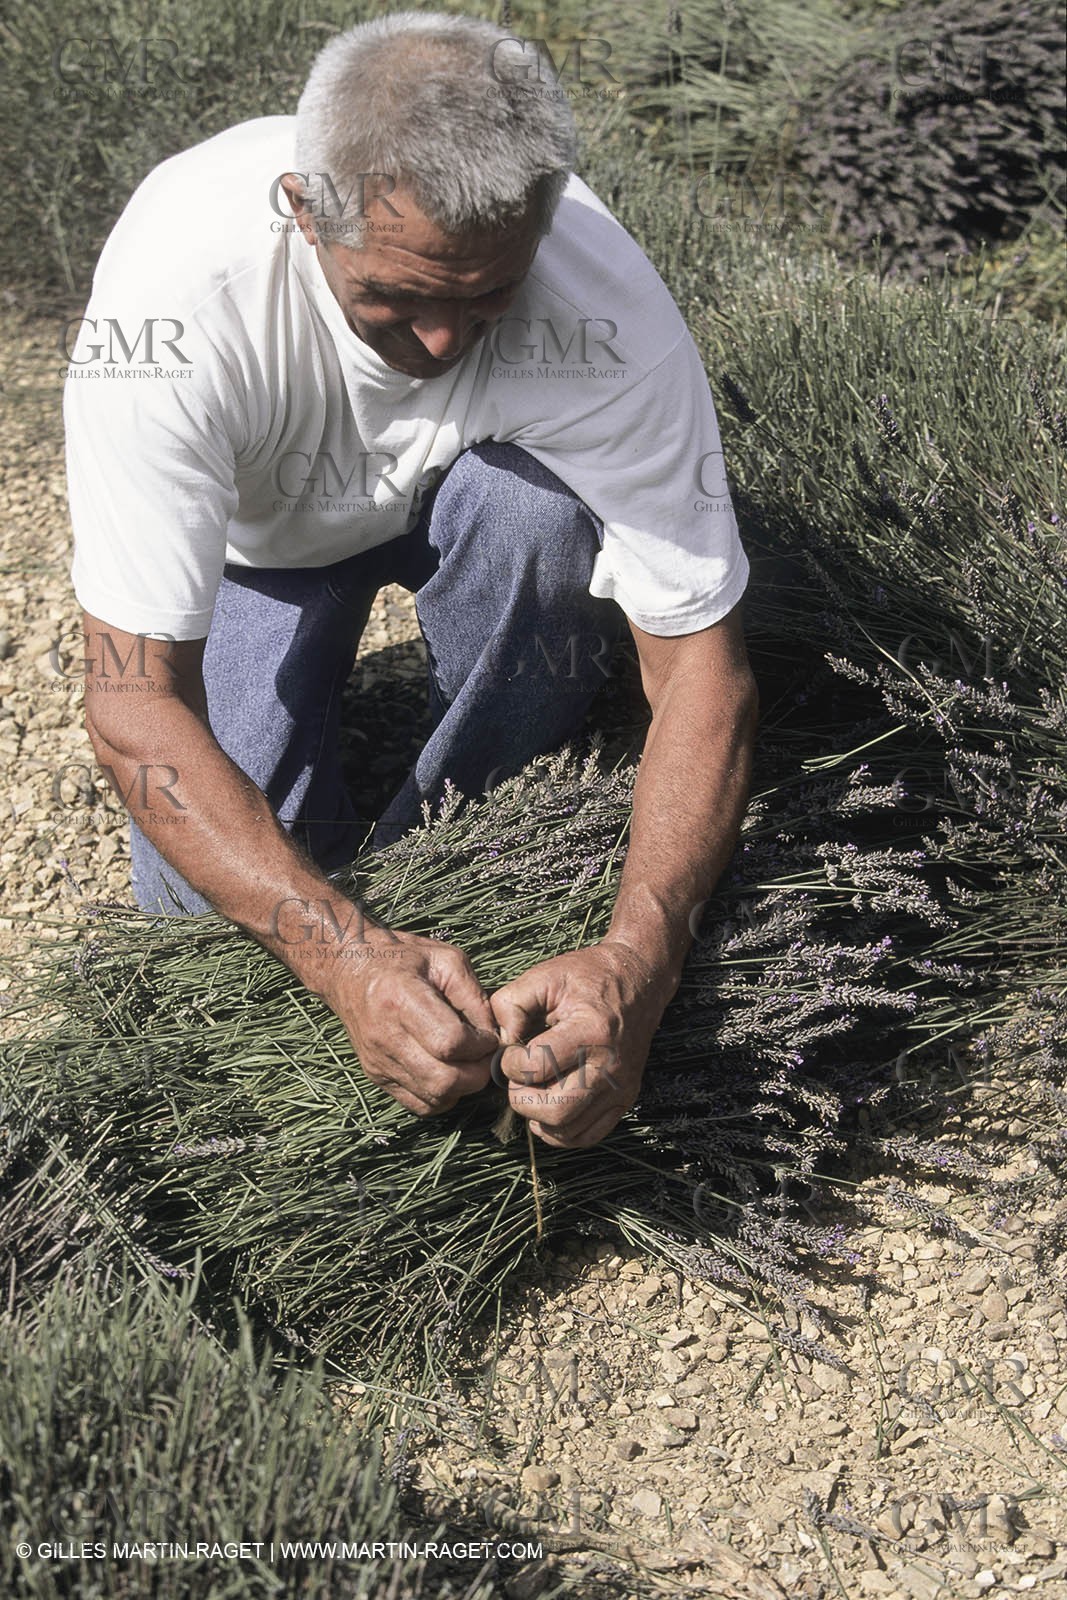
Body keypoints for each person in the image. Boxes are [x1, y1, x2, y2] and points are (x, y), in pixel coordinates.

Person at [63, 11, 758, 1149]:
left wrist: (639, 963)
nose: (441, 342)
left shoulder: (604, 301)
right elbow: (135, 701)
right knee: (192, 905)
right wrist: (340, 957)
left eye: (487, 296)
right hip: (258, 550)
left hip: (467, 500)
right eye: (397, 296)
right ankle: (387, 919)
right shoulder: (174, 301)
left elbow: (705, 676)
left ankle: (460, 829)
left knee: (535, 517)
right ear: (303, 211)